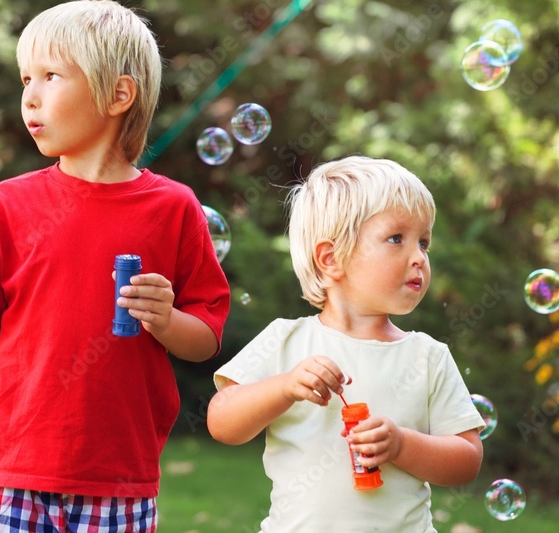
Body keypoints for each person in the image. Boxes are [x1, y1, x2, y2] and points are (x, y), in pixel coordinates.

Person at [0, 0, 230, 532]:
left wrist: (166, 320)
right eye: (25, 77)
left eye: (51, 75)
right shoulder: (8, 204)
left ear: (119, 94)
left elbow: (205, 338)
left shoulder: (174, 208)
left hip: (116, 478)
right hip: (5, 471)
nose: (30, 94)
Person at [206, 155, 483, 532]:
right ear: (332, 258)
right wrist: (284, 386)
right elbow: (222, 421)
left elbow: (467, 459)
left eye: (424, 242)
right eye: (397, 238)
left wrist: (402, 445)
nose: (418, 256)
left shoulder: (427, 356)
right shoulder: (286, 340)